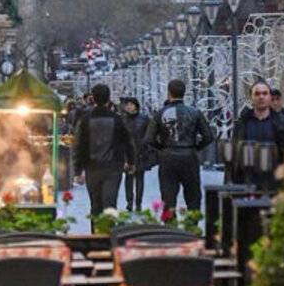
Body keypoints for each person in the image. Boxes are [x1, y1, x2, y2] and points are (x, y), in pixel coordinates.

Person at [149, 78, 214, 210]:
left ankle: (170, 221)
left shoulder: (160, 113)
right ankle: (193, 220)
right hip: (189, 156)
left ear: (169, 93)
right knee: (193, 197)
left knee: (168, 198)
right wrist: (196, 147)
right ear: (184, 93)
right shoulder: (195, 112)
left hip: (168, 157)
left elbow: (149, 139)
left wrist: (162, 148)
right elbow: (208, 136)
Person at [73, 84, 137, 216]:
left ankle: (95, 228)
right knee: (110, 204)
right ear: (109, 98)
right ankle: (109, 228)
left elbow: (79, 145)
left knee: (95, 205)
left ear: (93, 98)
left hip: (92, 167)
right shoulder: (117, 119)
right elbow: (127, 142)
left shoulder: (85, 120)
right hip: (113, 167)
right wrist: (131, 162)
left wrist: (78, 170)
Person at [231, 81, 284, 190]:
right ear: (251, 97)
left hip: (275, 183)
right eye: (257, 94)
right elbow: (234, 156)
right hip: (247, 183)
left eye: (264, 93)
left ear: (270, 97)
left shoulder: (283, 123)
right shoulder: (242, 124)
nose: (261, 97)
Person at [121, 97, 154, 210]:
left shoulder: (144, 119)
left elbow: (149, 135)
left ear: (136, 106)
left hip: (141, 152)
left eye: (131, 104)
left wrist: (146, 148)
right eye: (127, 105)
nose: (128, 107)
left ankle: (139, 202)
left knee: (140, 178)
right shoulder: (122, 119)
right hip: (126, 153)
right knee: (128, 178)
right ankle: (129, 202)